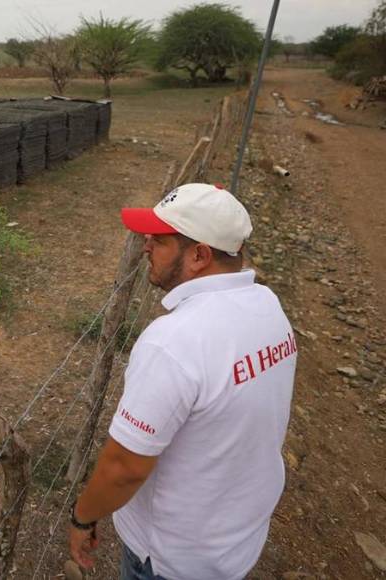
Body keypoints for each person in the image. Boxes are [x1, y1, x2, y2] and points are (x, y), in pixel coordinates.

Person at [68, 183, 296, 580]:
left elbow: (124, 468)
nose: (145, 247)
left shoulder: (174, 341)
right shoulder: (267, 306)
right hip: (235, 542)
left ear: (198, 255)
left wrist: (83, 517)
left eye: (158, 240)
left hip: (172, 558)